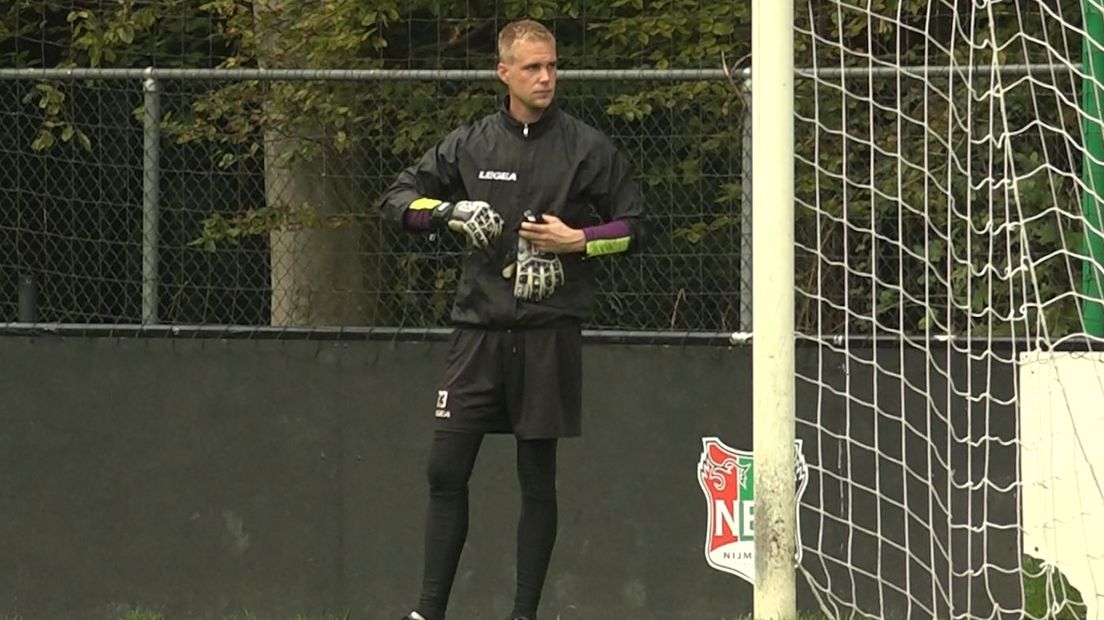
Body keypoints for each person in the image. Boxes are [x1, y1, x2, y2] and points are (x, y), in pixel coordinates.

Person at [381, 18, 647, 620]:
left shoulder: (588, 147)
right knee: (445, 469)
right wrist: (447, 213)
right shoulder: (470, 143)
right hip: (477, 333)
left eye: (552, 65)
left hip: (549, 335)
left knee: (537, 477)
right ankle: (427, 613)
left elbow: (635, 229)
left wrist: (577, 240)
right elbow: (396, 200)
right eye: (533, 67)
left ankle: (523, 615)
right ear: (503, 73)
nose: (547, 77)